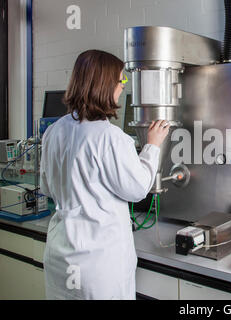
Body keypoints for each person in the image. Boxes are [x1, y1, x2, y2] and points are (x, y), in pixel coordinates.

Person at [40, 49, 169, 299]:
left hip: (60, 255)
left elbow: (47, 188)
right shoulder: (110, 137)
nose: (122, 88)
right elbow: (138, 188)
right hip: (97, 263)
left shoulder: (54, 131)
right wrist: (152, 146)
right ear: (106, 84)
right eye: (121, 80)